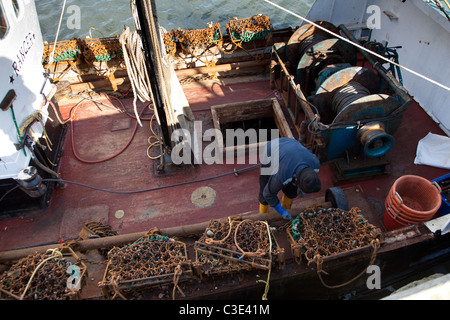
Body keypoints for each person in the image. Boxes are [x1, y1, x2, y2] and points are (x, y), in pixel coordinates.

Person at [259, 137, 321, 220]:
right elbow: (268, 194)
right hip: (271, 151)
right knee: (264, 192)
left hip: (291, 145)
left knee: (292, 191)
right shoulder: (283, 175)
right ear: (297, 180)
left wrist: (303, 189)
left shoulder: (315, 163)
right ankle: (263, 218)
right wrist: (281, 211)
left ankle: (287, 209)